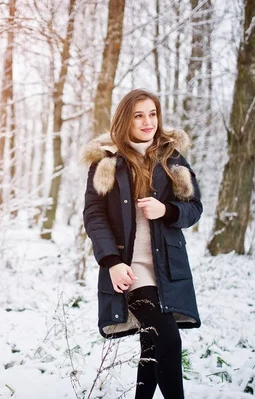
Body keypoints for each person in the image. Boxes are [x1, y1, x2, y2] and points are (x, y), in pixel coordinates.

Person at [81, 89, 202, 399]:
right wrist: (111, 262)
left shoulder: (172, 158)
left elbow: (194, 208)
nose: (148, 121)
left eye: (152, 113)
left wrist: (167, 210)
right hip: (130, 269)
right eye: (139, 115)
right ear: (126, 120)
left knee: (152, 341)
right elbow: (94, 216)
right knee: (168, 340)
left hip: (166, 268)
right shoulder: (106, 161)